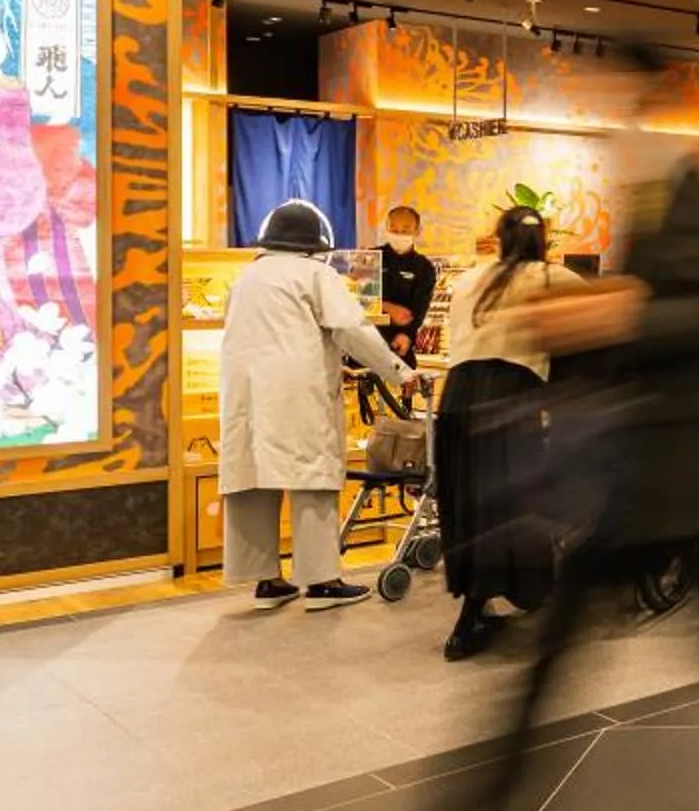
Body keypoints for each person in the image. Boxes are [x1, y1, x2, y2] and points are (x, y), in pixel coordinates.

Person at [390, 43, 699, 811]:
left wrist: (614, 313)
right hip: (631, 471)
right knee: (561, 662)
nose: (594, 105)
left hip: (670, 472)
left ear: (646, 89)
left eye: (606, 88)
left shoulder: (680, 180)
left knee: (663, 650)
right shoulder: (643, 185)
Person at [217, 199, 409, 610]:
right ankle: (322, 582)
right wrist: (399, 372)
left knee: (251, 479)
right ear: (312, 244)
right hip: (297, 392)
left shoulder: (245, 277)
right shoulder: (315, 274)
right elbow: (351, 329)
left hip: (244, 393)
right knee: (312, 478)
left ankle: (266, 581)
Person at [433, 204, 585, 660]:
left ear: (499, 237)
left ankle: (474, 607)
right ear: (544, 239)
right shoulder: (556, 279)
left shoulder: (469, 280)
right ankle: (513, 594)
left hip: (457, 397)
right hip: (511, 397)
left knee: (469, 505)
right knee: (513, 504)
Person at [364, 204, 438, 422]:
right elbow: (358, 299)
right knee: (366, 413)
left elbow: (419, 310)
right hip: (366, 344)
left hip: (401, 347)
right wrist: (388, 307)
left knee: (400, 416)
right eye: (394, 229)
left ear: (417, 231)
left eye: (405, 230)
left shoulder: (424, 268)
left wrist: (407, 335)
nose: (399, 234)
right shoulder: (369, 258)